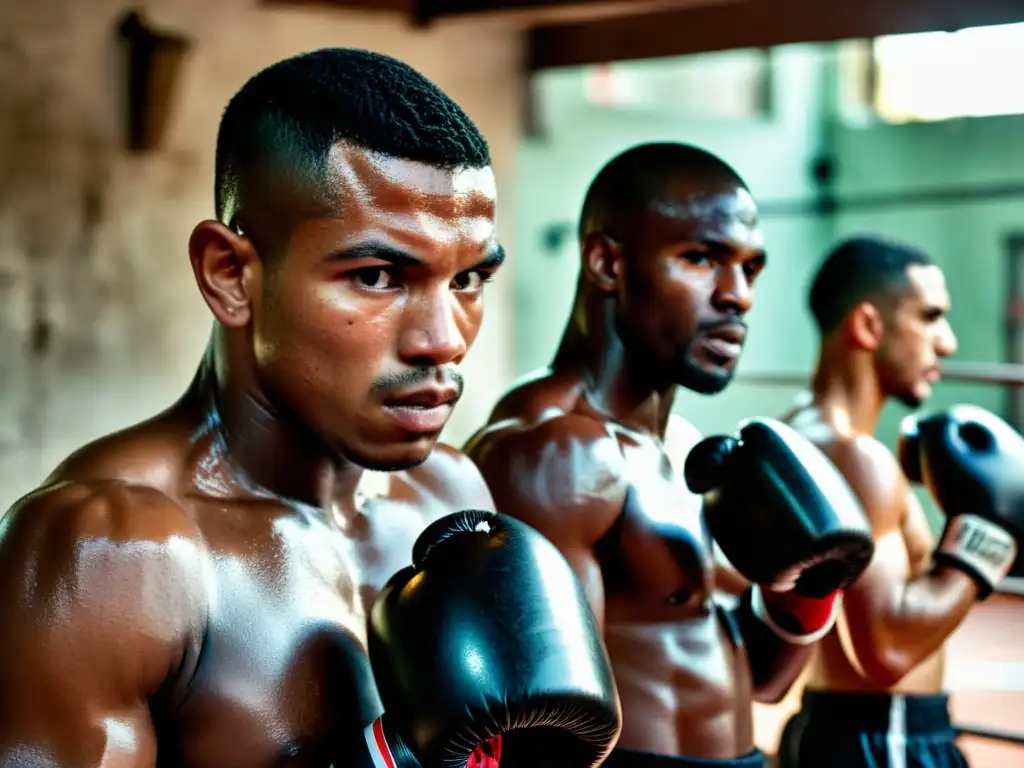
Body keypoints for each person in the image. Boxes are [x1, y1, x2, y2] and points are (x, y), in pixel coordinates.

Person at [0, 48, 621, 768]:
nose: (444, 339)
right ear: (230, 274)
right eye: (378, 275)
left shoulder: (452, 494)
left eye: (469, 278)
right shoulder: (110, 555)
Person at [464, 142, 874, 768]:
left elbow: (763, 678)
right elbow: (549, 739)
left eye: (751, 269)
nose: (737, 296)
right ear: (607, 262)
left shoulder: (681, 447)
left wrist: (812, 588)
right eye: (701, 258)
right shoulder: (556, 454)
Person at [777, 236, 1024, 767]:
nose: (948, 343)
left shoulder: (796, 429)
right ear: (868, 325)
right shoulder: (856, 456)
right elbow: (886, 650)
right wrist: (985, 541)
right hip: (886, 735)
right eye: (930, 317)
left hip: (832, 725)